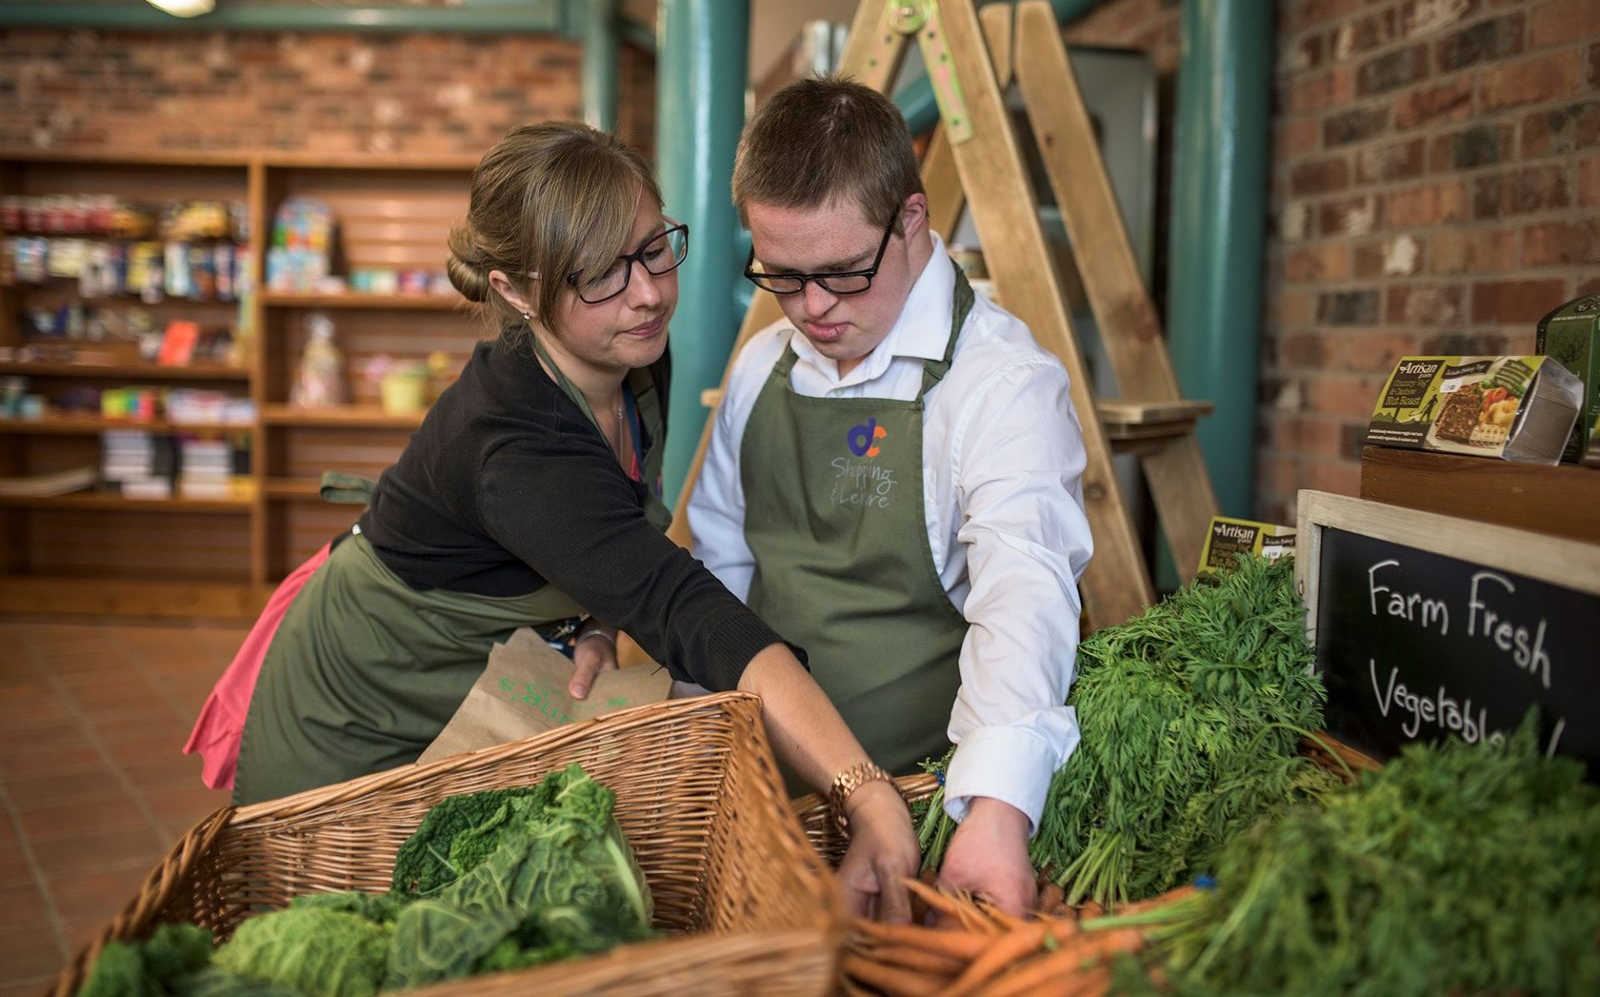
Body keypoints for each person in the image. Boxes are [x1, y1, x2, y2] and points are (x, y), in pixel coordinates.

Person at [189, 121, 923, 921]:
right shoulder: (516, 448)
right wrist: (865, 791)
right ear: (512, 289)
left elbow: (616, 542)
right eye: (598, 275)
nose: (647, 292)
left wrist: (598, 617)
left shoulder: (631, 351)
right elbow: (683, 605)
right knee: (352, 927)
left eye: (652, 248)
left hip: (477, 668)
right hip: (361, 699)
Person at [687, 77, 1093, 917]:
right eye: (783, 277)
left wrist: (995, 811)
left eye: (841, 272)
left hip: (920, 813)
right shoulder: (761, 366)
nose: (812, 308)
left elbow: (1024, 599)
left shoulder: (1002, 385)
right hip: (759, 806)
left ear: (911, 220)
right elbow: (720, 568)